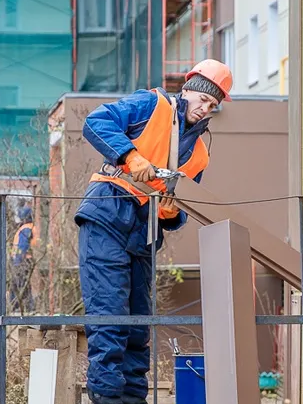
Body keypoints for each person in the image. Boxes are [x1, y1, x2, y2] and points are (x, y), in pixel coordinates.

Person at [74, 59, 232, 404]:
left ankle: (132, 399)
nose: (205, 108)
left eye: (213, 105)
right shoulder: (151, 104)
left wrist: (173, 212)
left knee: (137, 329)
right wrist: (131, 157)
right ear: (188, 89)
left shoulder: (200, 155)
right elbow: (96, 122)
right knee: (109, 321)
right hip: (108, 215)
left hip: (143, 235)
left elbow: (179, 213)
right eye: (203, 99)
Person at [9, 206, 39, 311]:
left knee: (19, 284)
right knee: (24, 284)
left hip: (22, 261)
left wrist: (17, 261)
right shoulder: (30, 227)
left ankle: (17, 307)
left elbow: (22, 246)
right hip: (26, 260)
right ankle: (27, 307)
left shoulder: (25, 229)